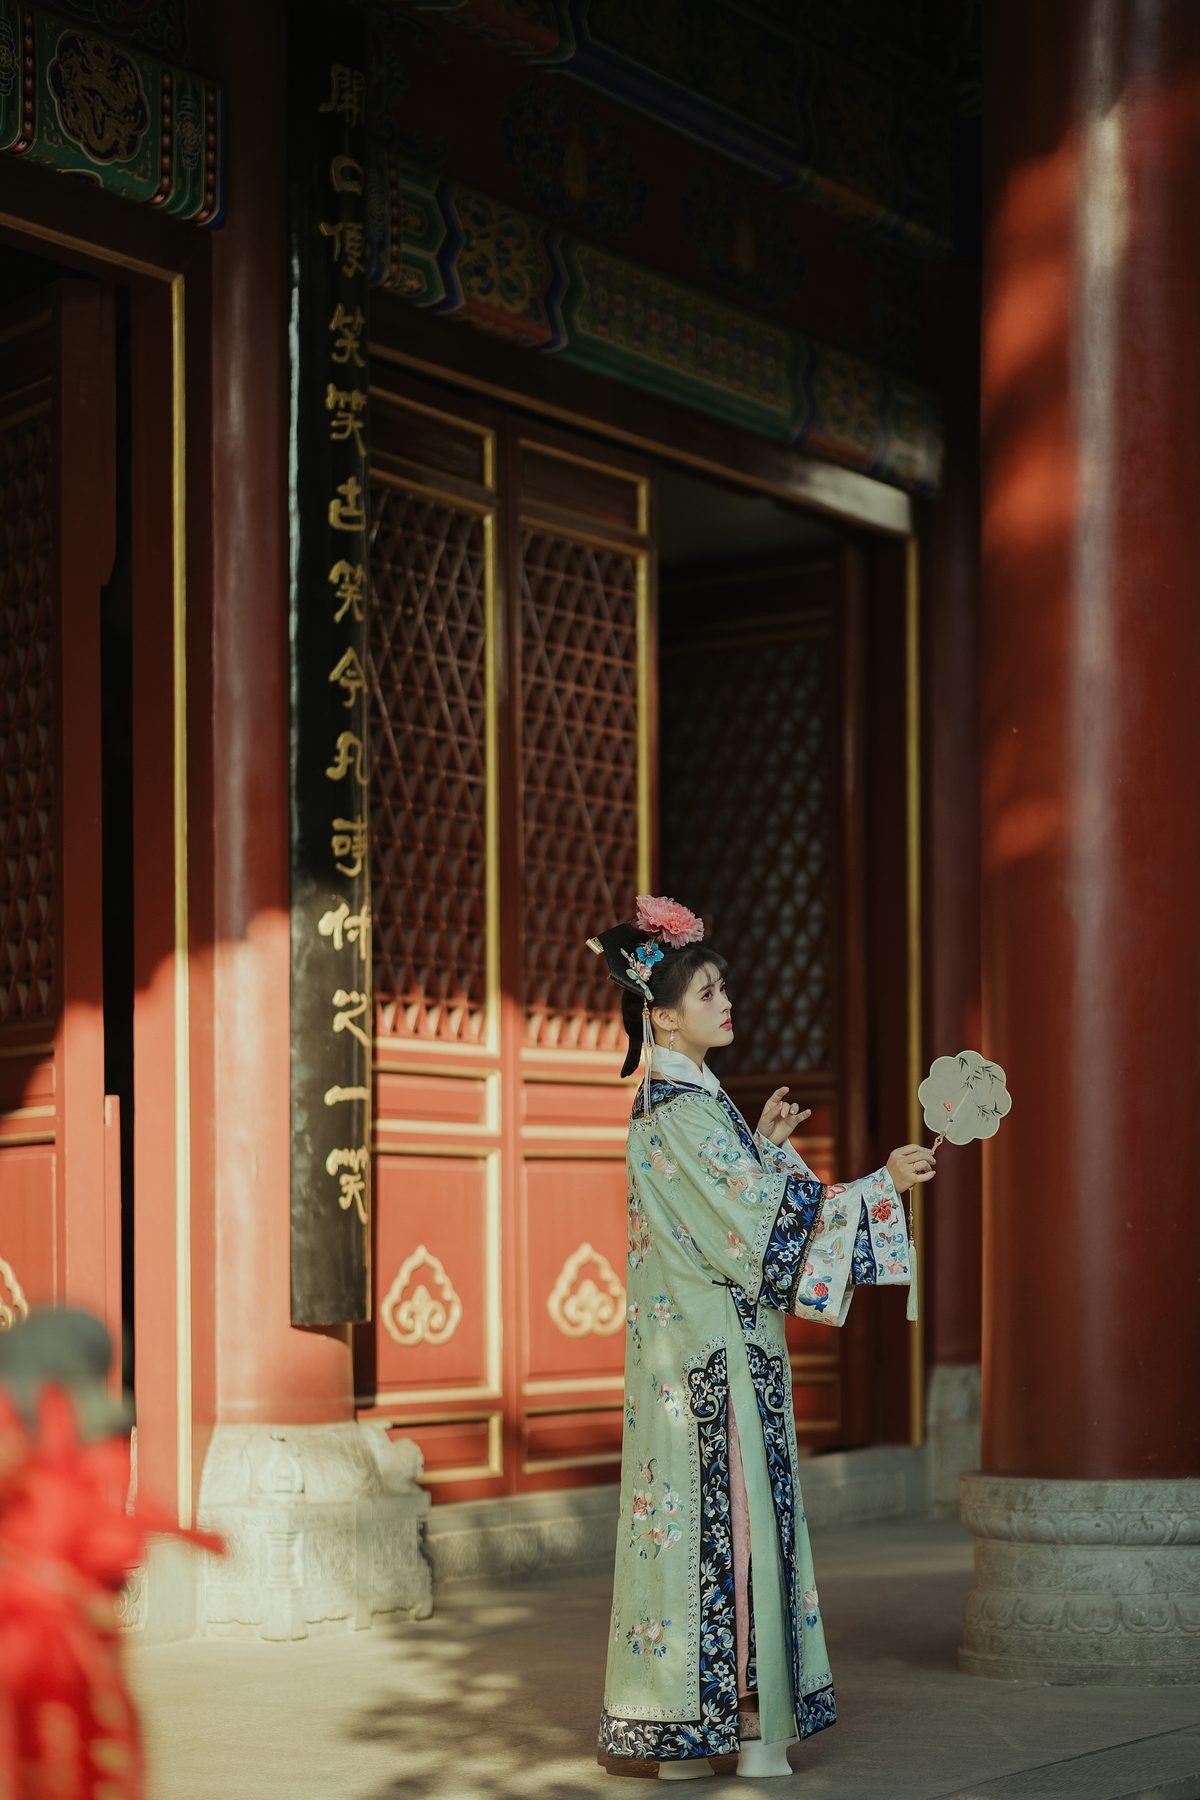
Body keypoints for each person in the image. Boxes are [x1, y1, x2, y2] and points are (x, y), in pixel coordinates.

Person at [588, 895, 936, 1781]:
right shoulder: (682, 1112)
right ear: (664, 1016)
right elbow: (757, 1232)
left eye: (722, 987)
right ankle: (753, 1731)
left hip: (689, 1363)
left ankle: (685, 1736)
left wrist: (764, 1146)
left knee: (695, 1536)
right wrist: (881, 1187)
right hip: (717, 1366)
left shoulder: (678, 1105)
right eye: (707, 992)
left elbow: (730, 1211)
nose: (726, 1001)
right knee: (737, 1530)